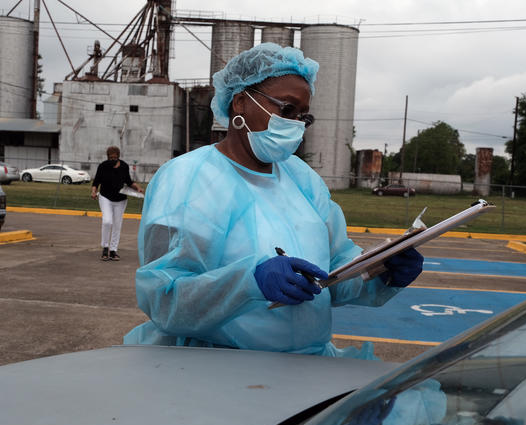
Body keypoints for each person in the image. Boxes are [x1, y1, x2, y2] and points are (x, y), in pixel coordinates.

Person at [123, 43, 423, 359]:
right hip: (217, 369)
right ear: (240, 102)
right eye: (286, 109)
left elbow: (333, 272)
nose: (295, 124)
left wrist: (378, 271)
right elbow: (166, 298)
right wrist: (249, 281)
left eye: (303, 116)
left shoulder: (302, 179)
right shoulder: (189, 178)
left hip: (307, 365)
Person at [91, 146, 143, 261]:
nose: (113, 159)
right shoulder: (103, 166)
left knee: (117, 225)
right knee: (107, 221)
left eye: (115, 157)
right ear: (107, 157)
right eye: (111, 157)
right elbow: (96, 182)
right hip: (105, 197)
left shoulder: (124, 166)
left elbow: (129, 182)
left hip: (120, 200)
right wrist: (93, 192)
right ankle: (105, 247)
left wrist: (137, 188)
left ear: (118, 157)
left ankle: (113, 250)